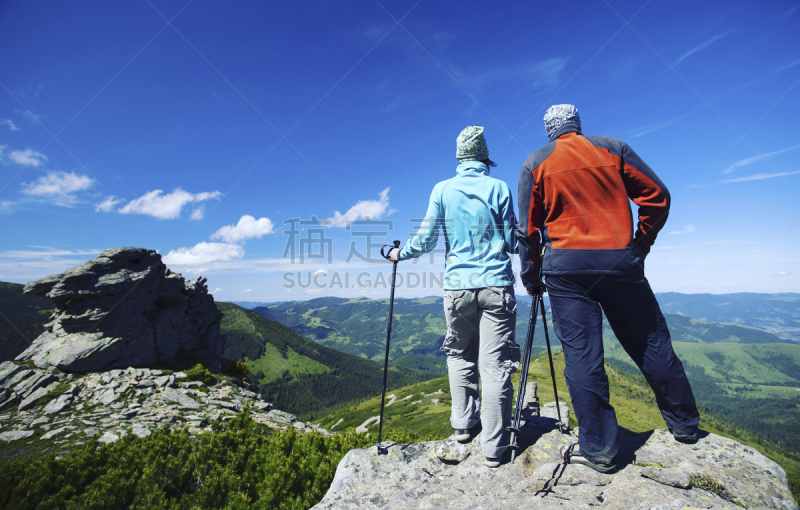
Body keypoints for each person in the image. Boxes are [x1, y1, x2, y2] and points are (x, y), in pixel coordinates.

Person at [516, 104, 700, 473]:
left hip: (566, 271)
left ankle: (599, 449)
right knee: (651, 343)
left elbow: (528, 231)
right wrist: (639, 245)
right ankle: (685, 427)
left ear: (550, 129)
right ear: (578, 124)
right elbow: (657, 196)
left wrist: (531, 275)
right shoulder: (613, 148)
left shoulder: (536, 162)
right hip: (619, 261)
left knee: (583, 357)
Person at [390, 126, 520, 468]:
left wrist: (399, 255)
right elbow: (512, 242)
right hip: (496, 285)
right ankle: (494, 449)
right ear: (484, 156)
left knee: (460, 356)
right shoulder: (498, 188)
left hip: (457, 287)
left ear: (459, 156)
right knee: (494, 366)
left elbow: (427, 239)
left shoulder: (442, 189)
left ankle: (463, 426)